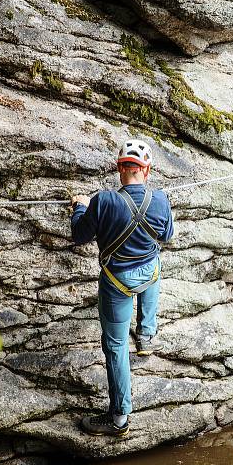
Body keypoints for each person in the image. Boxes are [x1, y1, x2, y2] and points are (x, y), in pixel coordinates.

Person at [70, 138, 174, 437]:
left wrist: (80, 207)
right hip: (148, 274)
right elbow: (167, 236)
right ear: (147, 170)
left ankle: (118, 418)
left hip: (118, 282)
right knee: (154, 268)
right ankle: (145, 333)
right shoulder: (161, 199)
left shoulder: (103, 201)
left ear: (120, 170)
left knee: (115, 346)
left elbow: (79, 235)